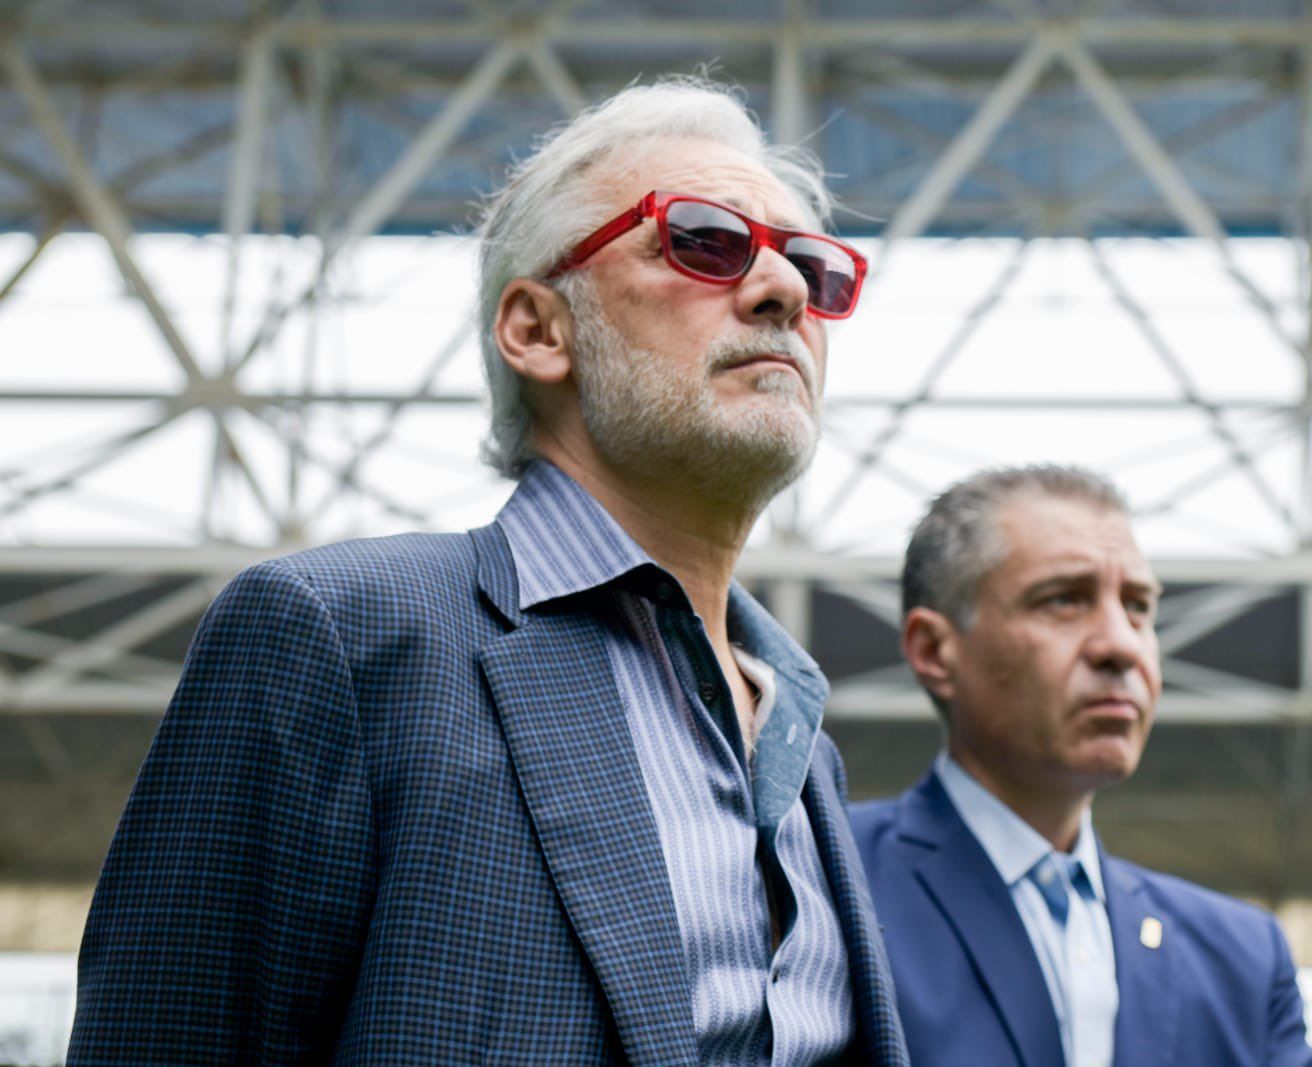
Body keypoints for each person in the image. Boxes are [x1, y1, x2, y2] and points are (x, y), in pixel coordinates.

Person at [69, 77, 907, 1066]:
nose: (786, 291)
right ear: (538, 330)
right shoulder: (341, 635)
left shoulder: (802, 739)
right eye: (704, 240)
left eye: (811, 265)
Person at [851, 466, 1312, 1067]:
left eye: (1138, 607)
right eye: (1064, 600)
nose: (1121, 645)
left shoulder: (1242, 962)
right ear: (935, 651)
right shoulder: (824, 885)